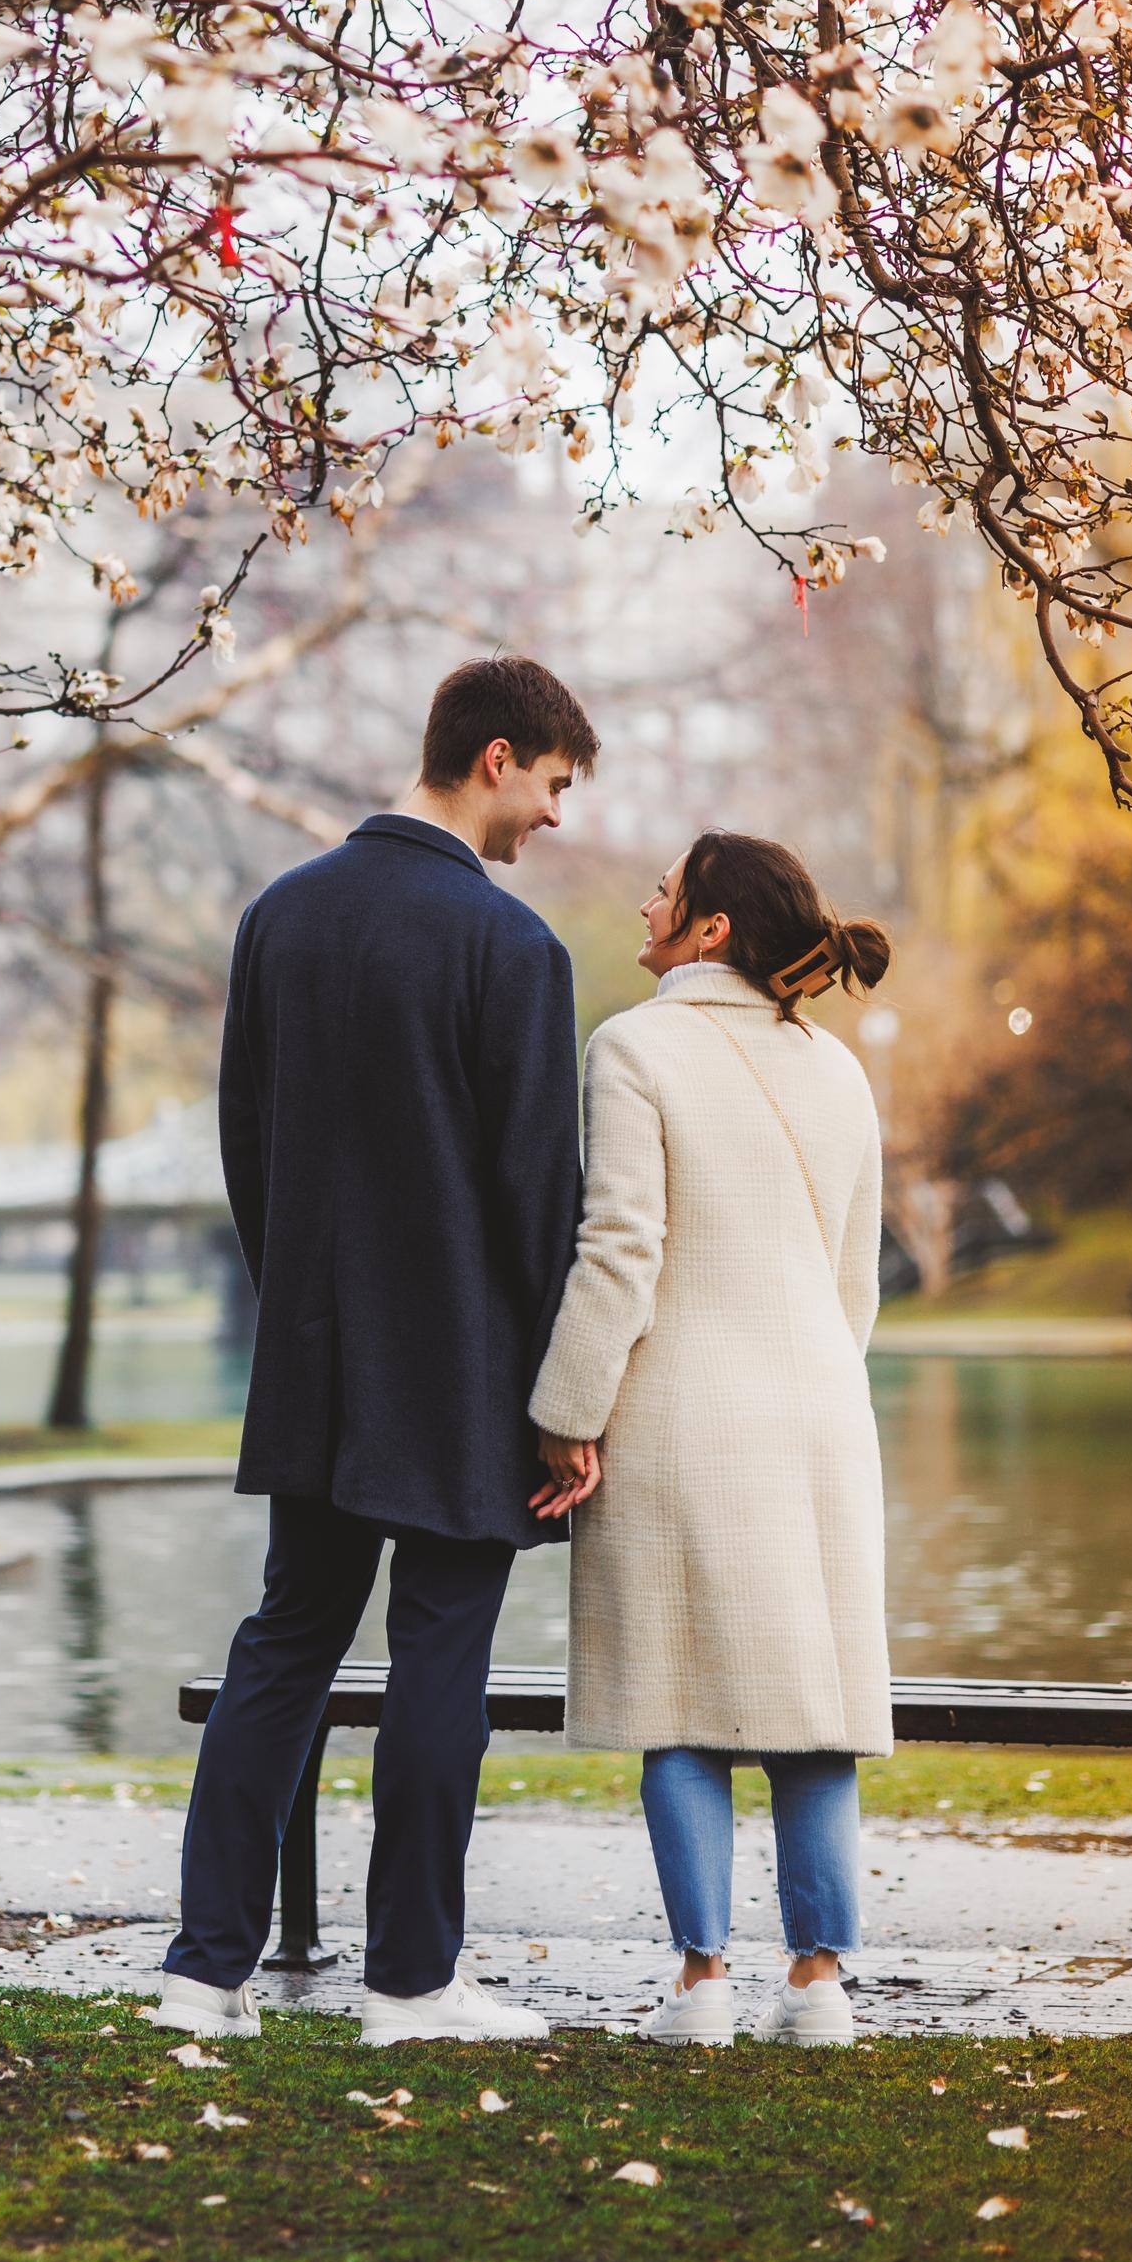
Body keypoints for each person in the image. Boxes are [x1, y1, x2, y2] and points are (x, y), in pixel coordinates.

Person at [154, 655, 597, 2047]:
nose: (557, 819)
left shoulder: (278, 919)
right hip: (464, 1369)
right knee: (439, 1664)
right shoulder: (513, 950)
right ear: (496, 757)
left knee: (282, 1649)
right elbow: (539, 1197)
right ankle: (412, 1984)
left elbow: (246, 1147)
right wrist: (564, 1401)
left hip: (318, 1357)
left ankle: (201, 1973)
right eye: (555, 785)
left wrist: (300, 1303)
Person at [527, 831, 893, 2046]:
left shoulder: (632, 1047)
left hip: (683, 1412)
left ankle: (698, 1984)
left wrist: (564, 1414)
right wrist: (813, 1377)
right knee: (810, 1700)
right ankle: (818, 1984)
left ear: (709, 930)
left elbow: (619, 1252)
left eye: (665, 893)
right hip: (821, 1416)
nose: (644, 903)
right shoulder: (836, 1072)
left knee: (679, 1700)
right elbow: (855, 1284)